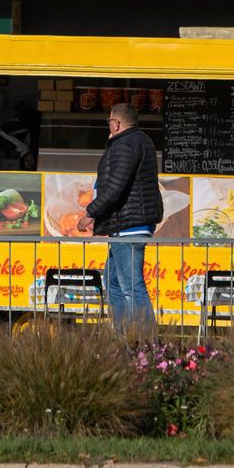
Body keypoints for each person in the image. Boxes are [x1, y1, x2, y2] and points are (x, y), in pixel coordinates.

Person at [79, 103, 163, 330]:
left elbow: (116, 184)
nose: (108, 125)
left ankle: (145, 341)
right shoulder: (140, 140)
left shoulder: (125, 144)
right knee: (113, 281)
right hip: (127, 224)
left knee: (131, 285)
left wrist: (90, 213)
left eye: (109, 121)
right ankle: (125, 334)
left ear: (116, 123)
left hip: (129, 225)